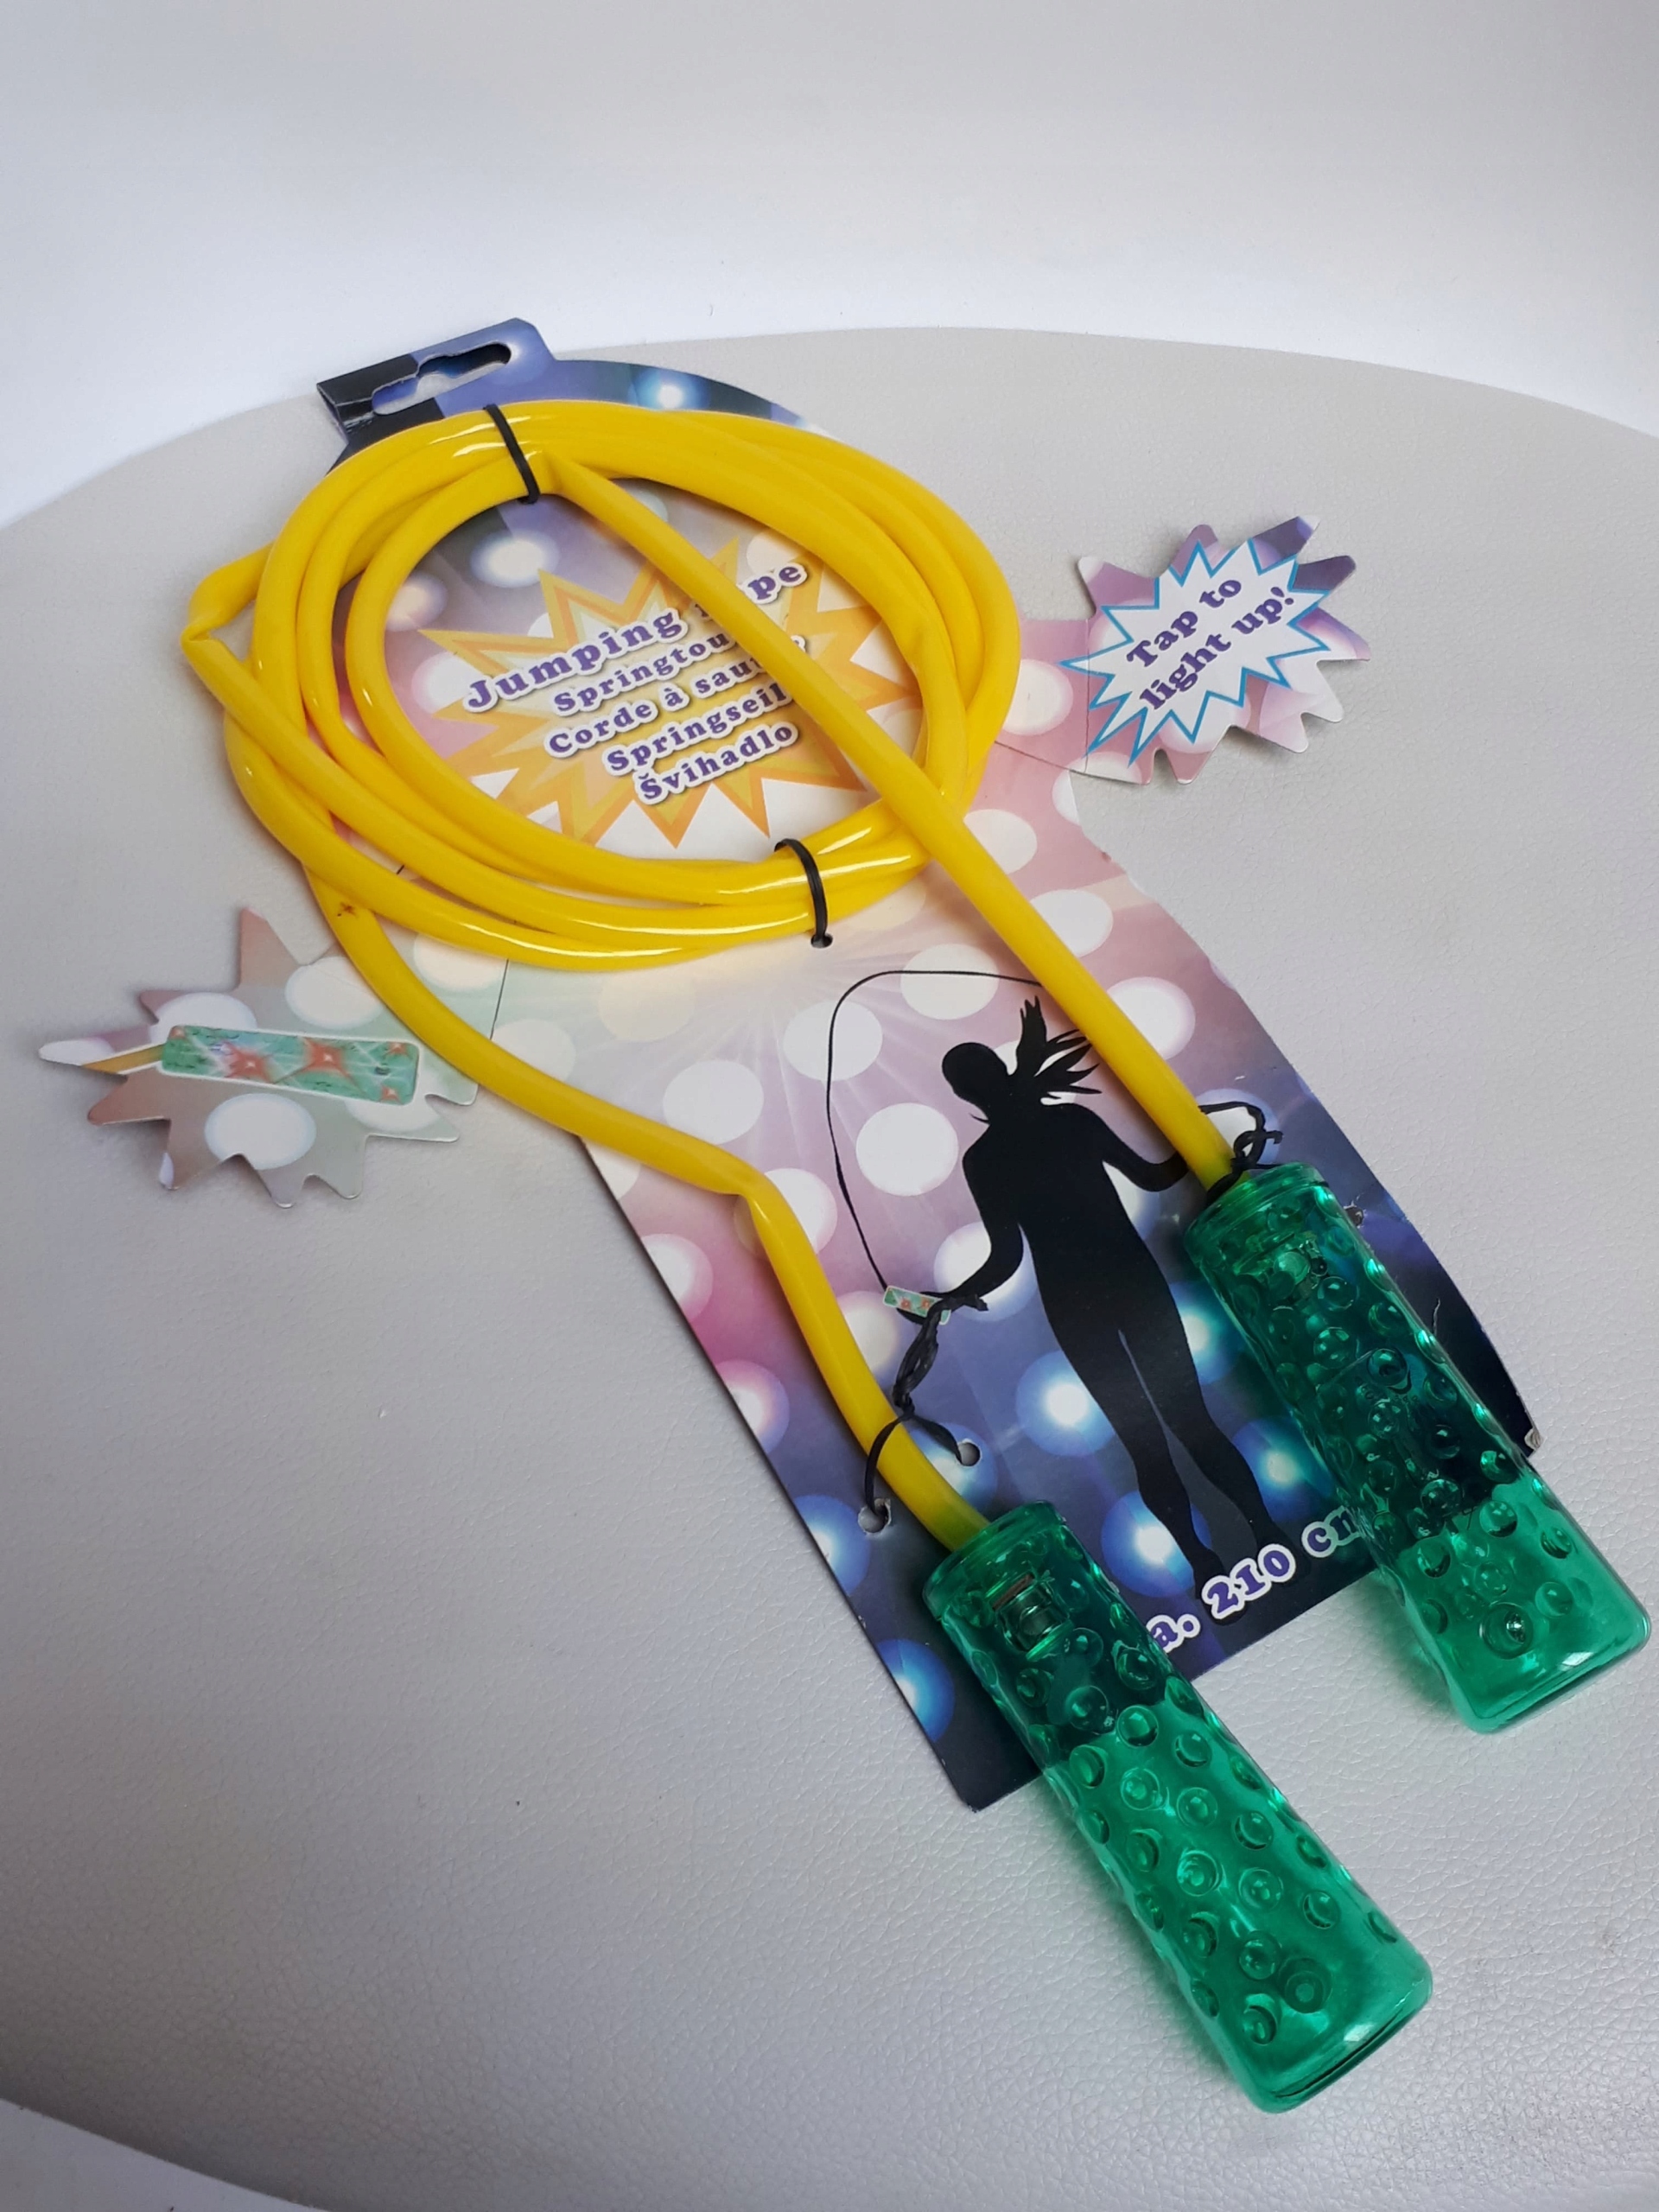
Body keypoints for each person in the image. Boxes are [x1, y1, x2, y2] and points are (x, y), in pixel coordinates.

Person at [939, 1001, 1287, 1590]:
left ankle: (1207, 1558)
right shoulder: (1068, 1122)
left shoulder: (987, 1159)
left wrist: (951, 1298)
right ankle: (1262, 1533)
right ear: (993, 1074)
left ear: (965, 1095)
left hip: (1077, 1302)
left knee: (1145, 1440)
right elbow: (1152, 1175)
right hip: (1130, 1279)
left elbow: (1006, 1256)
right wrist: (1205, 1142)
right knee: (1188, 1420)